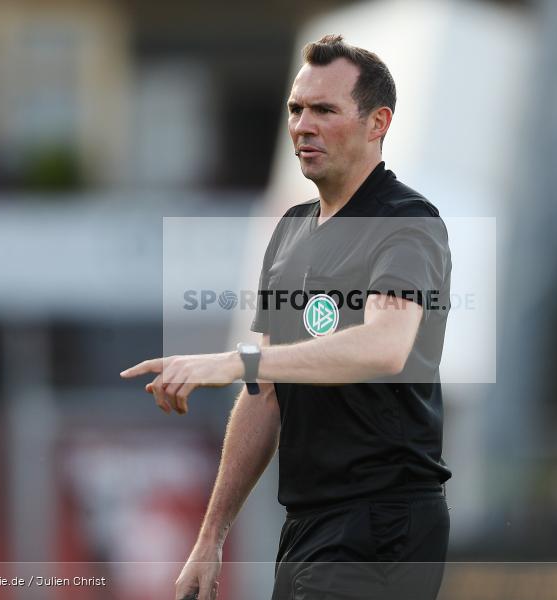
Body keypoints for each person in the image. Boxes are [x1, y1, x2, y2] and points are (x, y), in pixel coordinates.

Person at [121, 34, 452, 600]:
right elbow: (265, 391)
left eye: (325, 110)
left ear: (378, 123)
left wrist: (233, 360)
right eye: (296, 110)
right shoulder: (290, 231)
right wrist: (211, 537)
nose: (303, 125)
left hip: (384, 521)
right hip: (307, 526)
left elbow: (384, 346)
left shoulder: (406, 221)